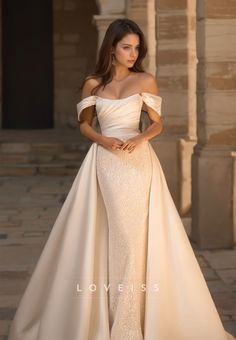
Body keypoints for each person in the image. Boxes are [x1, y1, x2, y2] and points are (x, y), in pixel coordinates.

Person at [8, 18, 235, 340]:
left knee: (133, 236)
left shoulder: (145, 80)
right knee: (107, 232)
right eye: (126, 47)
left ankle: (131, 321)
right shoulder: (93, 84)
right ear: (112, 48)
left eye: (137, 48)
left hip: (137, 161)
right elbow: (85, 125)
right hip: (105, 161)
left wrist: (141, 138)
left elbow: (157, 123)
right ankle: (108, 315)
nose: (132, 53)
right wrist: (103, 140)